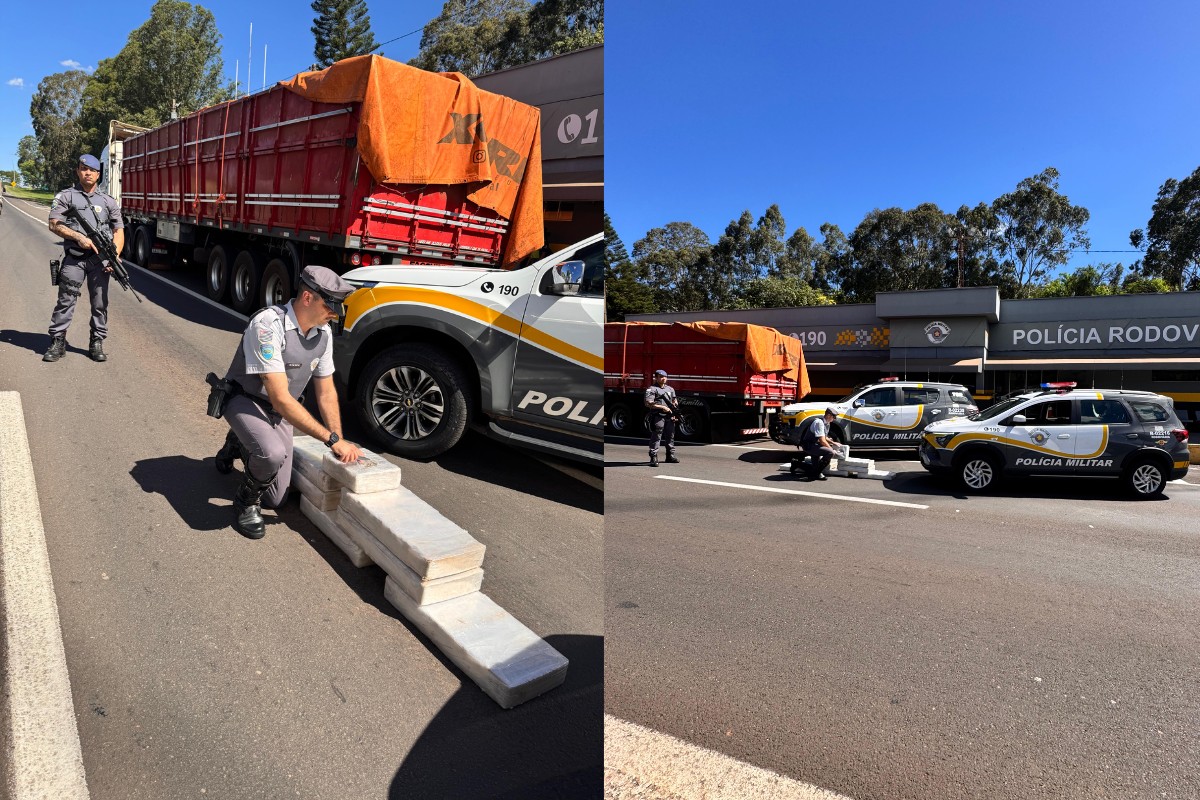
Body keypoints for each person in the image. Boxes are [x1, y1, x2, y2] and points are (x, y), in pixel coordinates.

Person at [214, 265, 364, 539]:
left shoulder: (323, 333)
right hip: (245, 400)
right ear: (307, 298)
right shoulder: (268, 325)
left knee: (276, 498)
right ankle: (245, 502)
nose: (335, 314)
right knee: (271, 454)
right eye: (330, 306)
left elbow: (326, 392)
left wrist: (339, 438)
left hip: (277, 412)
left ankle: (239, 442)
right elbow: (280, 398)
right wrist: (330, 439)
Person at [44, 154, 124, 363]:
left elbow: (118, 230)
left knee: (100, 303)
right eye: (83, 169)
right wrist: (78, 237)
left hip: (100, 261)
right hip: (75, 259)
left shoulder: (108, 201)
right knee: (66, 300)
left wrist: (114, 256)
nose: (88, 173)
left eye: (92, 170)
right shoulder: (66, 196)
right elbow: (54, 224)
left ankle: (96, 341)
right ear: (78, 171)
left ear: (98, 174)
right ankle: (58, 341)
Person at [644, 369, 680, 468]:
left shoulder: (670, 389)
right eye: (660, 377)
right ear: (656, 378)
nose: (663, 378)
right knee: (657, 436)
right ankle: (653, 456)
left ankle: (670, 455)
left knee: (670, 435)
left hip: (669, 416)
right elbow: (648, 403)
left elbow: (674, 401)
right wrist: (662, 407)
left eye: (665, 377)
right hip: (658, 416)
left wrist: (674, 412)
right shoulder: (652, 389)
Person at [798, 408, 842, 481]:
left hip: (815, 445)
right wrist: (831, 449)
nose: (835, 418)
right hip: (809, 446)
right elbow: (822, 441)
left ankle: (796, 464)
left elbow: (824, 436)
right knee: (830, 452)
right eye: (834, 416)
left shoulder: (827, 423)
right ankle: (815, 474)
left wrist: (833, 443)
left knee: (815, 467)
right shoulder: (819, 423)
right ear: (828, 415)